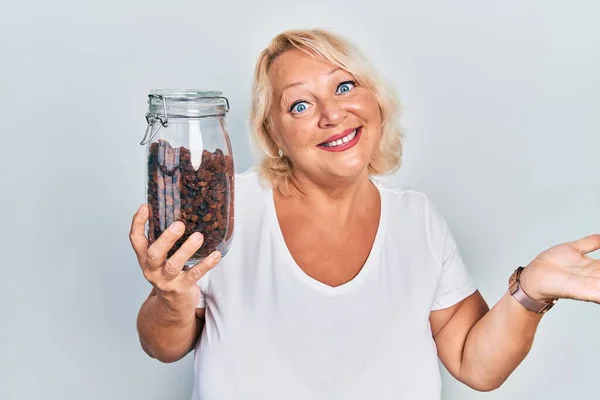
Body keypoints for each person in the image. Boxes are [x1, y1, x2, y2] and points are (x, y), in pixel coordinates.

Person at [130, 29, 600, 400]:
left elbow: (473, 363)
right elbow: (164, 346)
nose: (332, 114)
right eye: (300, 104)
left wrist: (530, 292)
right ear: (273, 134)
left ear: (375, 102)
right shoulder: (228, 206)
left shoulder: (417, 219)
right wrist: (169, 295)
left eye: (345, 86)